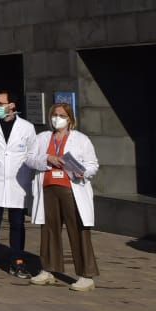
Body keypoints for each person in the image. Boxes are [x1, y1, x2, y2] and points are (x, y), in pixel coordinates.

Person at [27, 103, 100, 291]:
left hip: (71, 189)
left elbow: (93, 164)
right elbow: (28, 158)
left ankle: (86, 275)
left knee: (78, 230)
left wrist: (84, 172)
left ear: (70, 119)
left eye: (61, 115)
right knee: (49, 230)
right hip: (49, 188)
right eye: (54, 115)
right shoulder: (43, 137)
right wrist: (47, 159)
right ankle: (48, 270)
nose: (56, 118)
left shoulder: (81, 140)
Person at [0, 91, 37, 278]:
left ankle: (17, 261)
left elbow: (31, 154)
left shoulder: (27, 128)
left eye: (0, 103)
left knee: (17, 223)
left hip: (17, 182)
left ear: (12, 105)